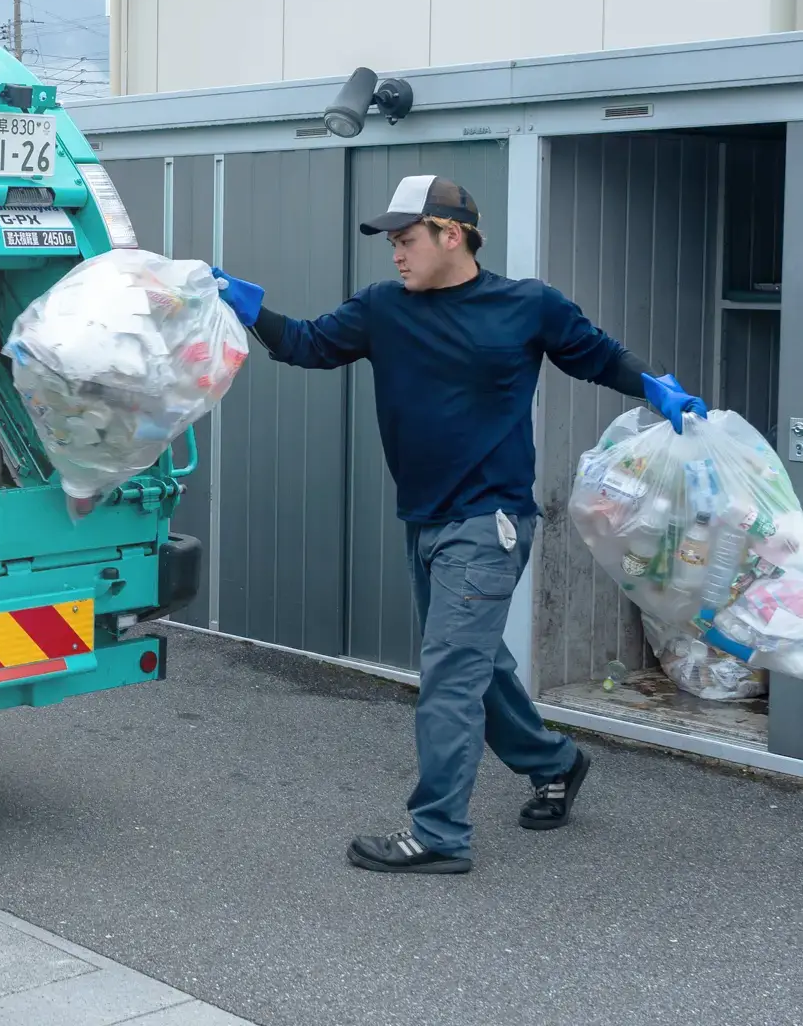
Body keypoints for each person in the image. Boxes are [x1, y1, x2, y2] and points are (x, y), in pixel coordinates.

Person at [213, 174, 706, 876]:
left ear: (452, 235)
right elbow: (307, 345)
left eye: (406, 239)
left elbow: (598, 355)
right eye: (390, 243)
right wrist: (249, 309)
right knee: (476, 664)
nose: (395, 255)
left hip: (489, 520)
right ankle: (554, 762)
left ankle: (438, 832)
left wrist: (654, 387)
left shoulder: (525, 305)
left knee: (448, 672)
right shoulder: (383, 308)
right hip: (423, 518)